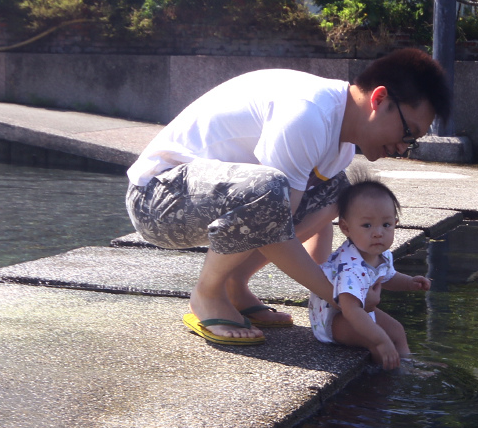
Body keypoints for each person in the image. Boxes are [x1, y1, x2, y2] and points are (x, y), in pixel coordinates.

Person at [124, 48, 451, 345]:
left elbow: (292, 221)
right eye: (408, 134)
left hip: (199, 196)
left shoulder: (339, 143)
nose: (402, 148)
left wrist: (327, 300)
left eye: (412, 142)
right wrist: (341, 295)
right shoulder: (309, 114)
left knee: (339, 191)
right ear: (380, 100)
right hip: (157, 199)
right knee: (269, 190)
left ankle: (235, 283)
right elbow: (273, 224)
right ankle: (207, 294)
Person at [308, 174, 430, 369]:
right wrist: (380, 340)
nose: (378, 232)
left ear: (395, 224)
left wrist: (409, 282)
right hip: (334, 320)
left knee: (396, 330)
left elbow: (387, 276)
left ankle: (409, 365)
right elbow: (350, 309)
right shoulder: (349, 269)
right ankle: (386, 378)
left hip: (361, 309)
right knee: (375, 341)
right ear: (346, 228)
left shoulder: (381, 255)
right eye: (367, 225)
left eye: (386, 225)